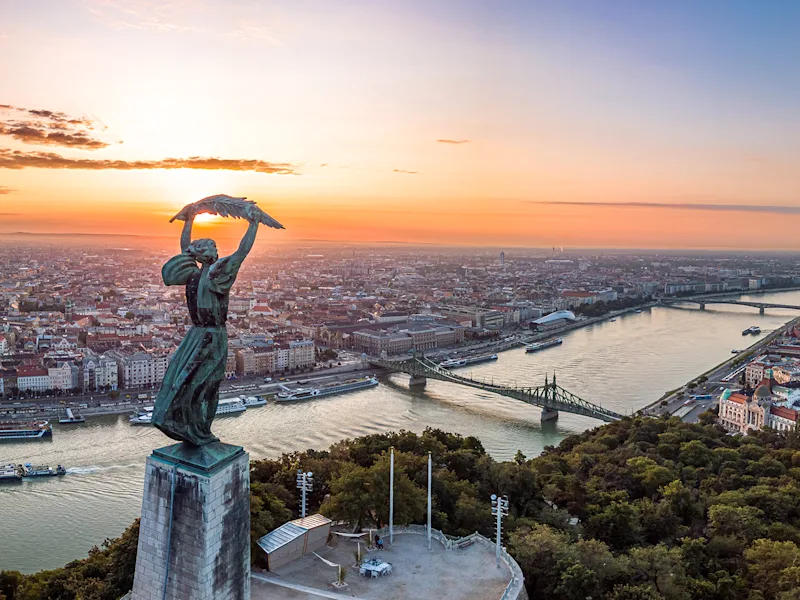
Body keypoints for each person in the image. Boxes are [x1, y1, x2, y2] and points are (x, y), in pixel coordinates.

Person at [152, 204, 260, 446]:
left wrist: (189, 220)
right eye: (212, 247)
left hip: (196, 336)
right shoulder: (214, 275)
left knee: (187, 379)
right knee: (206, 384)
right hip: (212, 336)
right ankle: (199, 430)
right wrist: (253, 225)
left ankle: (188, 425)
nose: (217, 249)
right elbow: (242, 252)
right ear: (203, 254)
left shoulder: (193, 275)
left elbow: (185, 249)